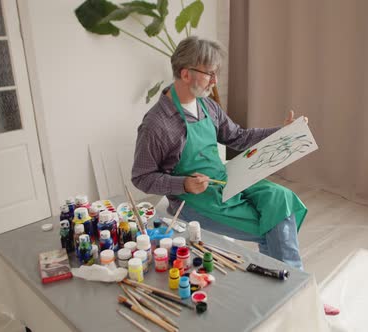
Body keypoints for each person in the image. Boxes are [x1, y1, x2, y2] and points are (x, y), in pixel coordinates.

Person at [131, 36, 339, 316]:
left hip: (225, 177)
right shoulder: (156, 124)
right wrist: (183, 184)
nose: (215, 81)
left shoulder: (207, 106)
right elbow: (142, 177)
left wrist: (283, 133)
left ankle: (285, 292)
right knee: (270, 224)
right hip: (193, 200)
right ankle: (297, 295)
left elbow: (237, 137)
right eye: (210, 74)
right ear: (186, 73)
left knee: (282, 198)